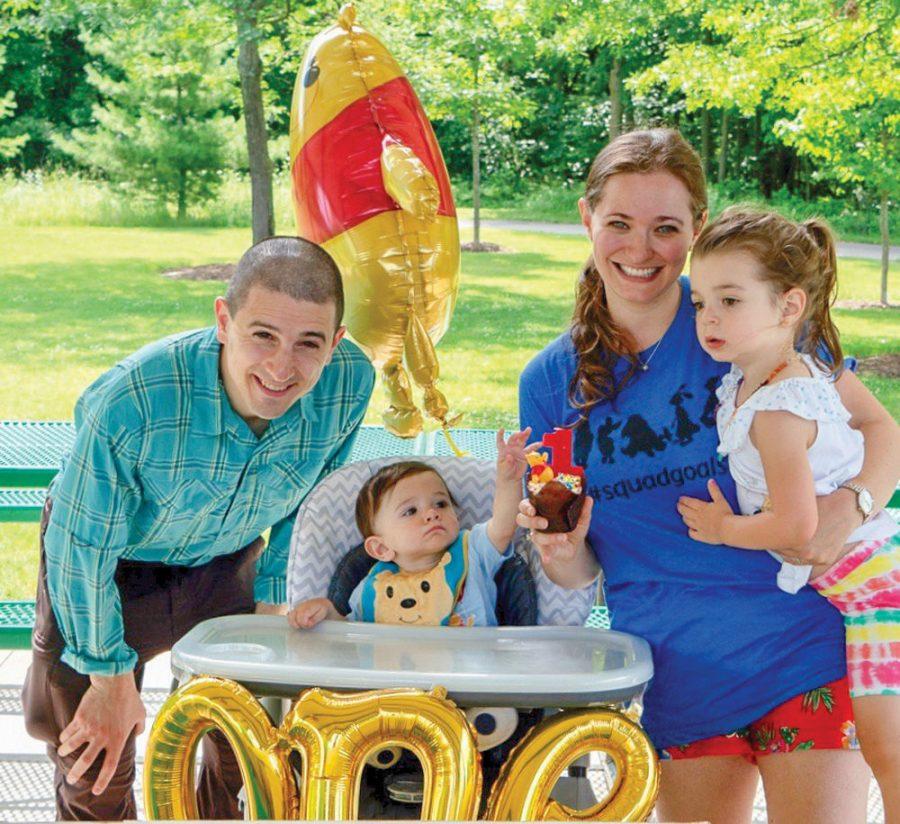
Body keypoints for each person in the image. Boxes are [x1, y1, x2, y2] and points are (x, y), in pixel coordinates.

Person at [516, 129, 900, 823]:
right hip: (679, 673)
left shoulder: (746, 315)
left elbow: (882, 432)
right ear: (586, 219)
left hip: (804, 645)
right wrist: (563, 552)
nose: (640, 250)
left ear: (695, 228)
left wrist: (853, 503)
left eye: (665, 228)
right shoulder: (550, 383)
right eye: (619, 225)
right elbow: (576, 568)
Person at [22, 236, 375, 821]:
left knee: (247, 750)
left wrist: (272, 595)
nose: (282, 367)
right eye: (262, 334)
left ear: (335, 342)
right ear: (223, 319)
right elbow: (80, 545)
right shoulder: (134, 397)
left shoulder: (349, 382)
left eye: (308, 343)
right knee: (95, 764)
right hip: (103, 565)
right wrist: (109, 678)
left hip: (226, 561)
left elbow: (316, 491)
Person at [679, 207, 899, 819]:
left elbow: (798, 526)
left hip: (878, 591)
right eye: (700, 303)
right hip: (869, 582)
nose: (709, 318)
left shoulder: (777, 411)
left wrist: (725, 530)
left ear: (788, 306)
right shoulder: (792, 370)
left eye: (729, 300)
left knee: (890, 751)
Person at [289, 428, 530, 628]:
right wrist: (327, 614)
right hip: (394, 684)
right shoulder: (371, 587)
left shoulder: (473, 552)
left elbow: (503, 526)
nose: (432, 513)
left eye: (441, 503)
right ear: (381, 548)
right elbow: (350, 634)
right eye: (410, 511)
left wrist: (508, 479)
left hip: (470, 680)